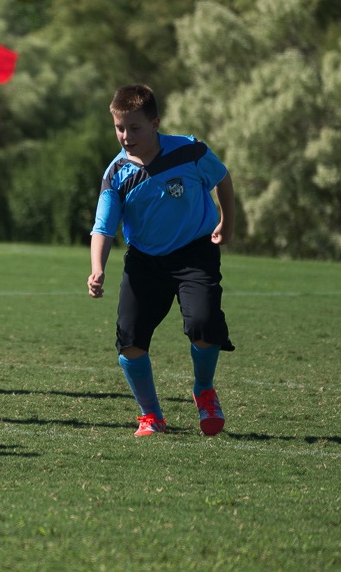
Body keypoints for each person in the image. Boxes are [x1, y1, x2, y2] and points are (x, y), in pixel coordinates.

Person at [87, 84, 235, 437]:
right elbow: (103, 228)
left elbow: (222, 178)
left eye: (134, 128)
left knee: (204, 324)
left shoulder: (190, 150)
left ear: (155, 124)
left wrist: (227, 222)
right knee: (130, 340)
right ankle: (151, 415)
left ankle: (204, 391)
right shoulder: (117, 173)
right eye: (119, 128)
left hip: (194, 254)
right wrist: (97, 269)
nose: (126, 136)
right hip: (145, 262)